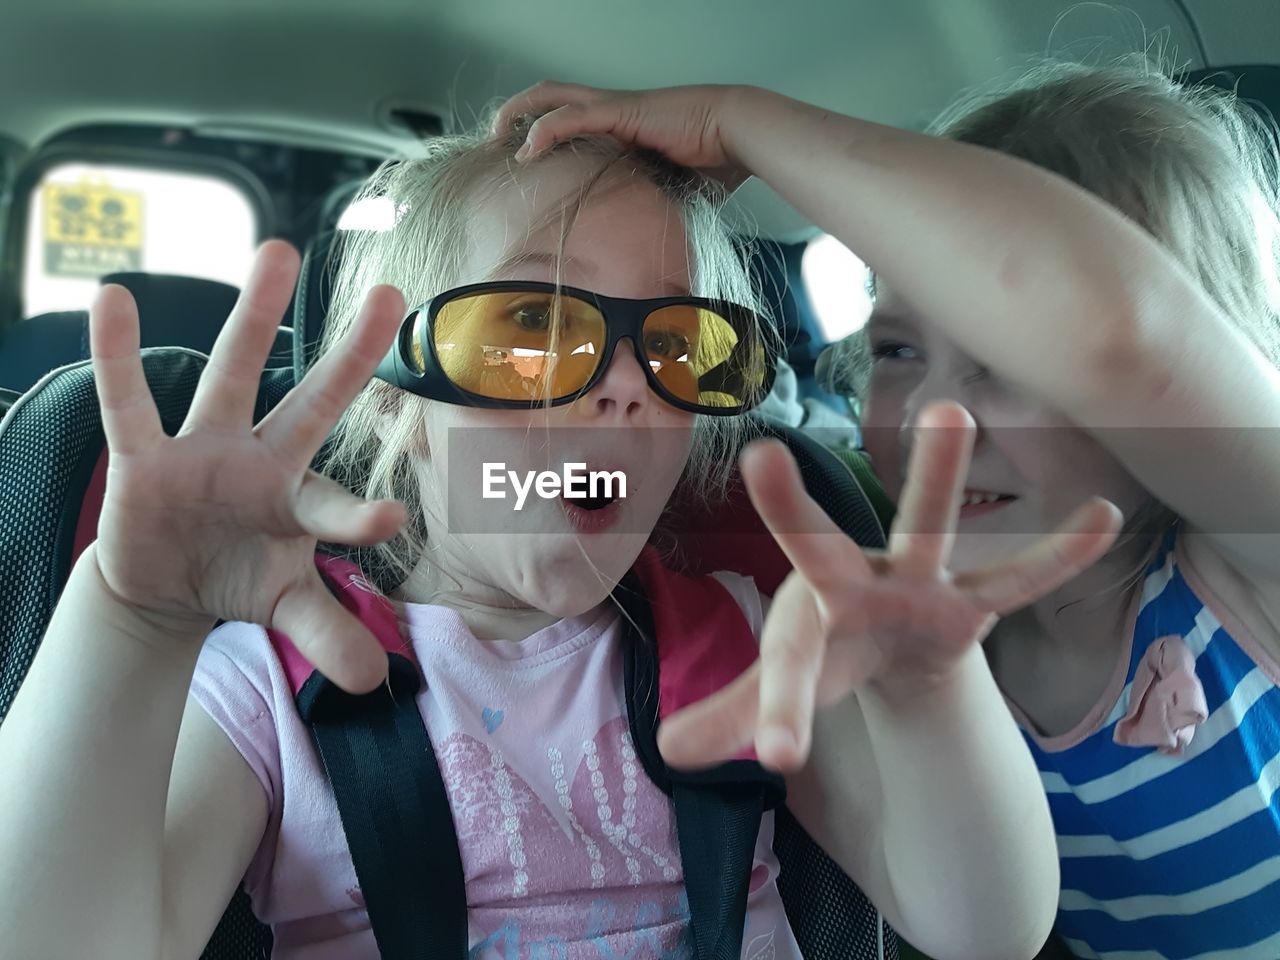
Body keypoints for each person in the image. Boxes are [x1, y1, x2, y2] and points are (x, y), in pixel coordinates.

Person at [0, 105, 1121, 960]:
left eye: (682, 347)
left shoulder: (743, 641)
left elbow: (982, 930)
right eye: (527, 331)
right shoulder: (265, 689)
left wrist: (929, 698)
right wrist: (132, 619)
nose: (625, 387)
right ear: (396, 403)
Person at [490, 57, 1280, 958]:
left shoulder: (1250, 565)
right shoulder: (895, 620)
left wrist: (736, 117)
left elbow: (1123, 336)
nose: (939, 413)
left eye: (1015, 360)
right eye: (901, 351)